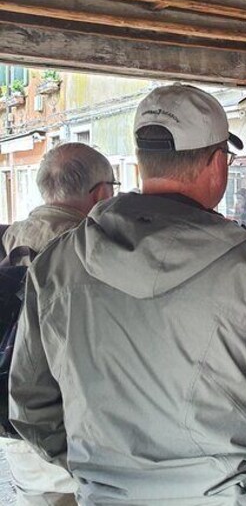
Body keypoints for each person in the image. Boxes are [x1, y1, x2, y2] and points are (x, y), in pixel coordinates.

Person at [9, 84, 246, 506]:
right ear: (217, 163)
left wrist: (96, 471)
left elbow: (30, 404)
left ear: (142, 162)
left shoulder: (56, 265)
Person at [1, 142, 115, 506]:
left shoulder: (11, 238)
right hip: (74, 429)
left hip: (17, 425)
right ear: (101, 193)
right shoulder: (90, 247)